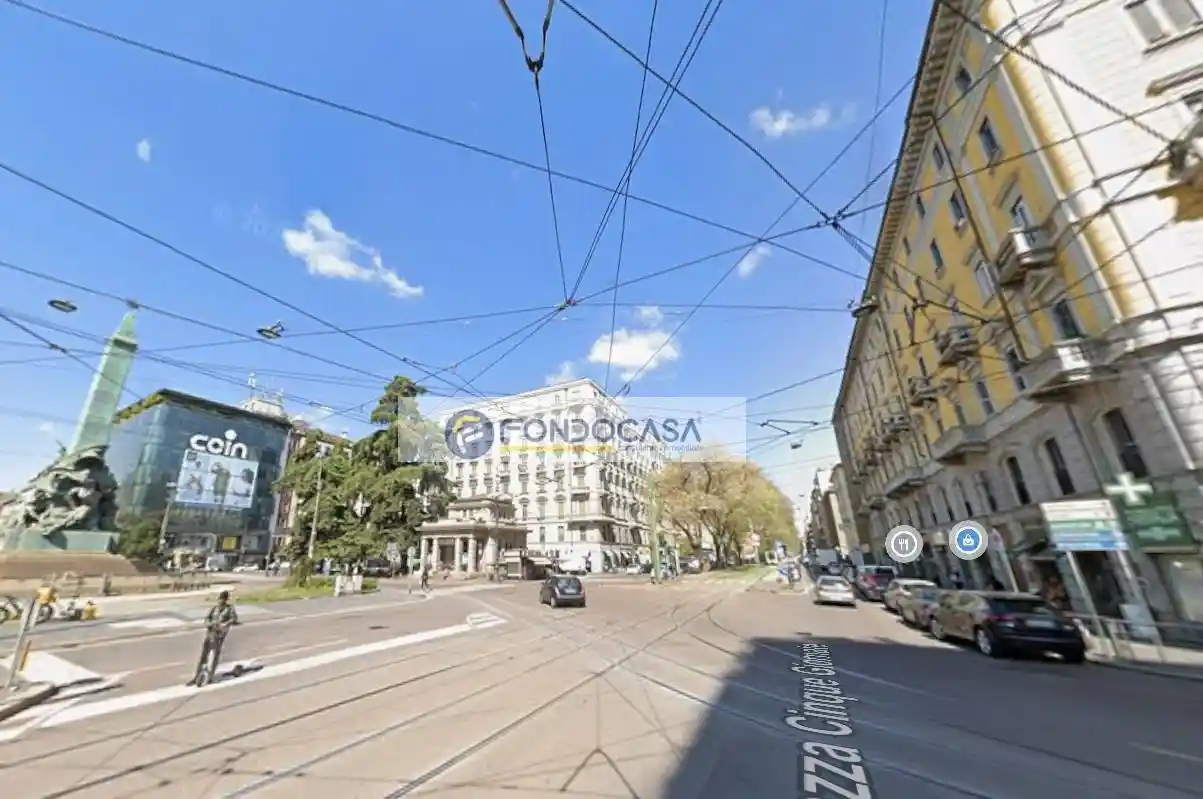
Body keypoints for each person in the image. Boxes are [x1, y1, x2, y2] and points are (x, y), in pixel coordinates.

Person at [191, 590, 239, 685]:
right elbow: (207, 619)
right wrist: (209, 624)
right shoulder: (214, 608)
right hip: (210, 632)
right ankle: (197, 676)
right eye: (220, 599)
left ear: (226, 600)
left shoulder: (229, 609)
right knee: (204, 655)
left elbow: (234, 618)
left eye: (222, 599)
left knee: (214, 656)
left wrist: (225, 624)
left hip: (219, 634)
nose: (220, 601)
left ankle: (210, 676)